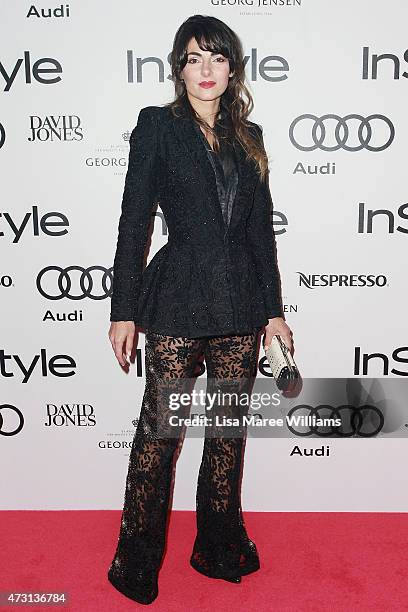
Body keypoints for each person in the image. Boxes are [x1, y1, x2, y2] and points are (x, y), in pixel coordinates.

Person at [107, 13, 294, 605]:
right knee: (160, 434)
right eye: (194, 58)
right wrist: (123, 310)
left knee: (228, 432)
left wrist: (274, 312)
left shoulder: (251, 136)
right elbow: (135, 220)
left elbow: (260, 232)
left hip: (241, 303)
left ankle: (215, 544)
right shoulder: (158, 127)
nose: (206, 70)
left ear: (233, 67)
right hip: (179, 297)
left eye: (216, 57)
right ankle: (136, 558)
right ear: (178, 68)